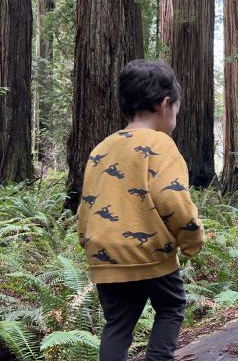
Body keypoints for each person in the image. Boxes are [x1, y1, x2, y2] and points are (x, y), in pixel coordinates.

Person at [76, 60, 205, 361]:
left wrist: (88, 241)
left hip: (105, 254)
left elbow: (88, 203)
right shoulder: (161, 144)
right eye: (176, 109)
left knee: (118, 325)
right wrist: (192, 240)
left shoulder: (101, 148)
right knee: (171, 307)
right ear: (164, 104)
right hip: (150, 253)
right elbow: (172, 199)